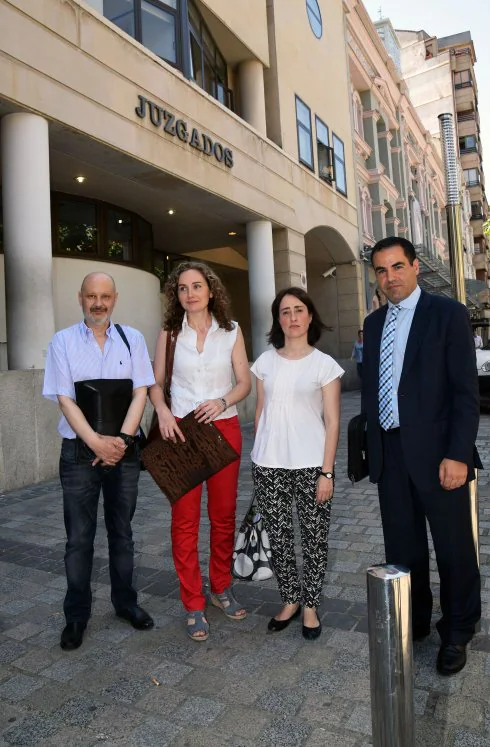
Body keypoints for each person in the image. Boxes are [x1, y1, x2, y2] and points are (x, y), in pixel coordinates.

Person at [362, 236, 482, 676]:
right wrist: (371, 449)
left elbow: (465, 394)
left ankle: (458, 630)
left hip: (439, 455)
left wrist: (457, 454)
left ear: (415, 267)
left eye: (397, 267)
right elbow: (375, 392)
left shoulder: (447, 314)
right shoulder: (374, 324)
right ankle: (413, 623)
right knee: (403, 549)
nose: (389, 277)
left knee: (454, 549)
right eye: (381, 270)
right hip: (391, 454)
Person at [43, 272, 156, 651]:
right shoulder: (62, 341)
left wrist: (122, 443)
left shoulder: (133, 339)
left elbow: (141, 391)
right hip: (79, 453)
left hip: (123, 455)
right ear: (80, 297)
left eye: (105, 296)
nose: (98, 303)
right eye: (91, 295)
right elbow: (64, 398)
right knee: (78, 540)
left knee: (122, 534)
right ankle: (76, 615)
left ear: (114, 298)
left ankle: (126, 604)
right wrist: (95, 443)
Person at [149, 261, 251, 642]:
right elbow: (155, 383)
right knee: (185, 521)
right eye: (182, 288)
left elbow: (244, 383)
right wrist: (160, 411)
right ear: (177, 296)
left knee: (223, 517)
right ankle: (193, 602)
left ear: (211, 290)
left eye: (197, 286)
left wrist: (222, 401)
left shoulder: (232, 331)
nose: (190, 293)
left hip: (223, 427)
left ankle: (220, 587)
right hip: (181, 431)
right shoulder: (169, 332)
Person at [251, 287, 343, 640]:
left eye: (298, 310)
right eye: (285, 311)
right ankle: (290, 599)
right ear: (278, 319)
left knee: (314, 538)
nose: (292, 317)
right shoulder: (264, 362)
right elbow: (260, 412)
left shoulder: (325, 366)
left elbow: (333, 422)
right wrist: (259, 454)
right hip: (269, 464)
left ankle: (310, 607)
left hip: (311, 465)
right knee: (280, 537)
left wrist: (327, 472)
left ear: (309, 316)